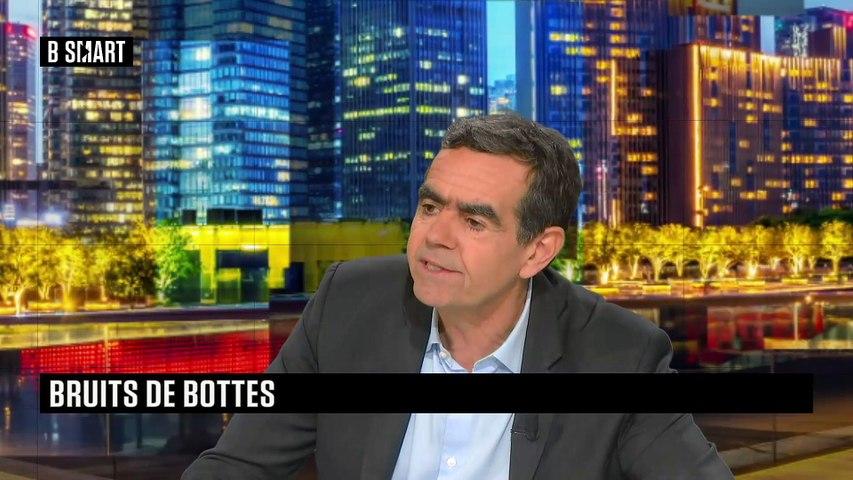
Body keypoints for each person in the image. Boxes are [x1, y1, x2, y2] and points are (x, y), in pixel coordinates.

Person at [182, 113, 733, 479]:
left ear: (537, 252)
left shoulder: (619, 357)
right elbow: (237, 466)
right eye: (429, 207)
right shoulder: (348, 304)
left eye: (473, 221)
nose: (435, 236)